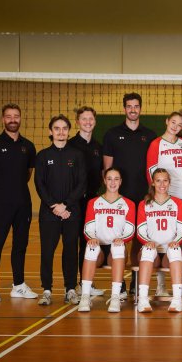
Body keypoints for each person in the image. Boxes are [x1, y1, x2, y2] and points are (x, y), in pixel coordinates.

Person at [0, 103, 37, 302]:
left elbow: (28, 173)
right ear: (3, 119)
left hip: (23, 204)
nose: (13, 119)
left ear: (21, 118)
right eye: (9, 116)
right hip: (1, 204)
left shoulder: (28, 146)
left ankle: (18, 285)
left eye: (16, 116)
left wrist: (14, 189)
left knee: (20, 245)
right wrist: (0, 191)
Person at [102, 92, 157, 294]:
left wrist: (151, 193)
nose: (133, 110)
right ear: (124, 108)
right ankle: (120, 284)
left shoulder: (150, 135)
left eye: (136, 106)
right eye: (129, 106)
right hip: (120, 198)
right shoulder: (112, 134)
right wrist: (112, 195)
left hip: (143, 196)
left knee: (139, 240)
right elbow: (107, 169)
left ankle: (134, 280)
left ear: (140, 108)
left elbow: (153, 167)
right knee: (120, 240)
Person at [34, 115, 86, 306]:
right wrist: (54, 206)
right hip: (49, 213)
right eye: (57, 128)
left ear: (69, 131)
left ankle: (70, 289)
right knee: (47, 251)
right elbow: (39, 184)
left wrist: (66, 205)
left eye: (64, 128)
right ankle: (47, 290)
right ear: (50, 131)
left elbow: (82, 184)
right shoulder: (43, 156)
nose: (61, 131)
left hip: (72, 212)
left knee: (71, 251)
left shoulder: (77, 155)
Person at [147, 111, 182, 298]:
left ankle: (181, 282)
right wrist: (157, 194)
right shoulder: (156, 144)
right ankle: (161, 284)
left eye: (179, 124)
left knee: (179, 240)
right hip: (164, 196)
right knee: (161, 237)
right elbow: (151, 171)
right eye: (173, 122)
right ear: (167, 121)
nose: (175, 126)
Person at [78, 168, 136, 313]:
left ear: (121, 181)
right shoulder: (94, 203)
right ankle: (85, 296)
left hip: (116, 249)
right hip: (99, 250)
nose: (112, 182)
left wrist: (122, 238)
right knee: (90, 247)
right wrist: (92, 238)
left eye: (116, 179)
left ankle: (115, 297)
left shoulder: (128, 203)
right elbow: (88, 227)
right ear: (104, 181)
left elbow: (130, 229)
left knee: (117, 248)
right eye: (109, 178)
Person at [136, 169, 182, 313]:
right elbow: (140, 229)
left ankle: (177, 300)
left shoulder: (177, 203)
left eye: (165, 180)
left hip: (168, 253)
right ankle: (143, 299)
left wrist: (176, 241)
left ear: (169, 182)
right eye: (158, 180)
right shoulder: (145, 204)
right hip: (152, 252)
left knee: (176, 250)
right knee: (147, 250)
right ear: (153, 182)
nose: (162, 184)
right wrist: (147, 241)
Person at [68, 106, 104, 297]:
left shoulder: (98, 147)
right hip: (74, 202)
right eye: (84, 119)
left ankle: (85, 283)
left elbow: (100, 174)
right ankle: (71, 286)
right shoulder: (70, 145)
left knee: (88, 241)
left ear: (95, 121)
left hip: (91, 202)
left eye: (91, 119)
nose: (88, 122)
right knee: (71, 243)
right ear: (77, 122)